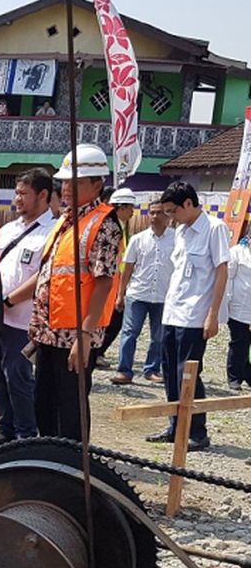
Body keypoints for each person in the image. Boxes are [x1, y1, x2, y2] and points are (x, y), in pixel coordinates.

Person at [28, 145, 122, 441]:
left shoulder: (103, 223)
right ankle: (49, 462)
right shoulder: (66, 220)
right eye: (65, 182)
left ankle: (70, 472)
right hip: (50, 331)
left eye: (75, 182)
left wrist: (84, 336)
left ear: (97, 185)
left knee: (70, 409)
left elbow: (103, 283)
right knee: (44, 404)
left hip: (74, 334)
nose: (66, 188)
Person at [146, 182, 230, 451]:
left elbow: (221, 272)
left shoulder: (214, 229)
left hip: (196, 315)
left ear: (189, 204)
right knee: (170, 371)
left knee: (189, 374)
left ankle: (197, 431)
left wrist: (213, 315)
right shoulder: (180, 231)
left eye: (172, 211)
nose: (170, 217)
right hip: (173, 312)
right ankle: (175, 425)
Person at [0, 168, 55, 447]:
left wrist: (10, 300)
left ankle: (26, 434)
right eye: (17, 193)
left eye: (24, 194)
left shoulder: (52, 232)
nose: (18, 199)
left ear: (43, 195)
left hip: (23, 320)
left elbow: (44, 276)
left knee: (18, 377)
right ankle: (6, 426)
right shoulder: (9, 229)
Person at [112, 199, 173, 385]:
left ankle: (152, 369)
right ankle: (124, 371)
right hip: (138, 294)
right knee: (129, 333)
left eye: (159, 212)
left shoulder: (177, 239)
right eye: (152, 212)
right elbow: (127, 268)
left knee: (159, 336)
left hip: (164, 295)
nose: (155, 216)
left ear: (168, 215)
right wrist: (120, 294)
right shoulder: (138, 239)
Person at [94, 187, 134, 367]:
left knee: (111, 321)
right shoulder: (111, 228)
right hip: (108, 284)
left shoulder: (120, 226)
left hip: (116, 282)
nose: (133, 212)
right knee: (107, 320)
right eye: (130, 207)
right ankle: (96, 352)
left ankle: (97, 351)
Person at [227, 219, 251, 390]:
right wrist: (225, 303)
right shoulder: (237, 252)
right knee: (239, 342)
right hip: (239, 307)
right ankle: (234, 377)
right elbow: (228, 278)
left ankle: (248, 375)